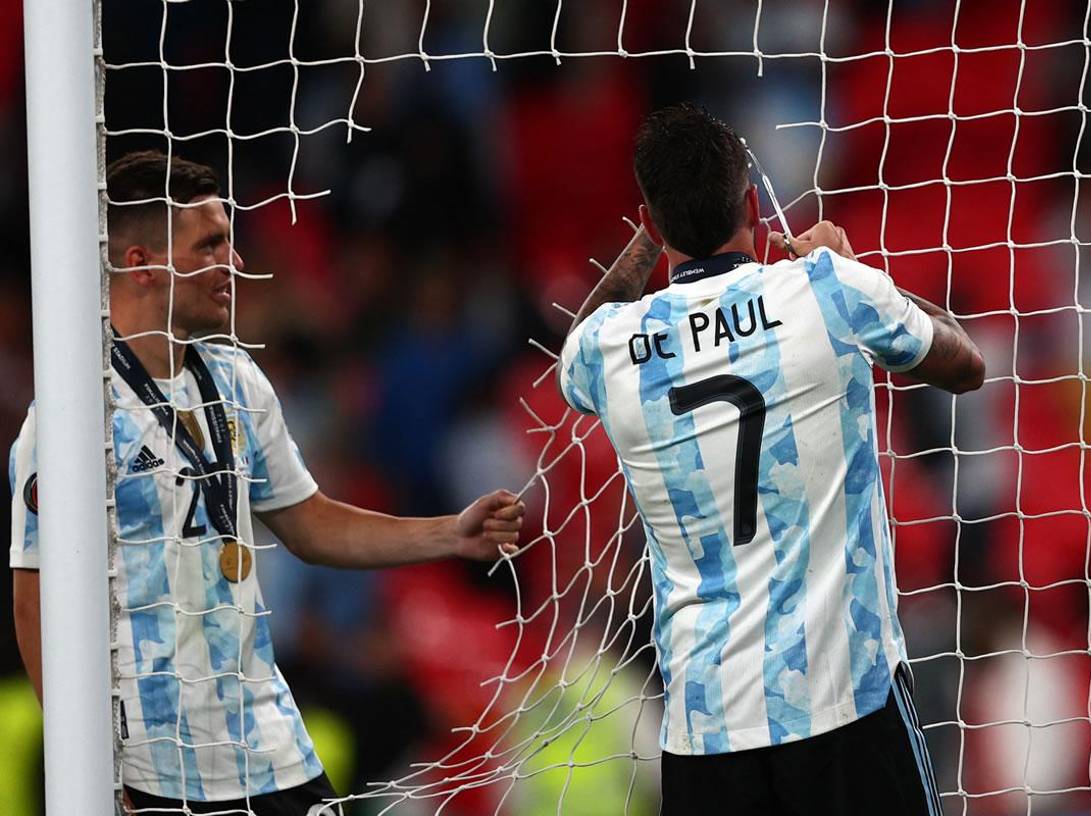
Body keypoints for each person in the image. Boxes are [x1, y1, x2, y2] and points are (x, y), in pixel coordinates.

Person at [9, 150, 526, 814]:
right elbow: (34, 601)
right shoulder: (72, 418)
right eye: (211, 245)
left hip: (268, 747)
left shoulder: (237, 380)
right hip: (155, 767)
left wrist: (448, 534)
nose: (235, 262)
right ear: (140, 265)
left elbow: (309, 522)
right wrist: (89, 771)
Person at [557, 104, 984, 816]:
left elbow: (574, 348)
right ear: (752, 204)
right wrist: (856, 271)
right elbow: (964, 362)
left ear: (654, 223)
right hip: (846, 705)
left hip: (706, 733)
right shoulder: (826, 290)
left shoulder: (613, 348)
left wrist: (642, 246)